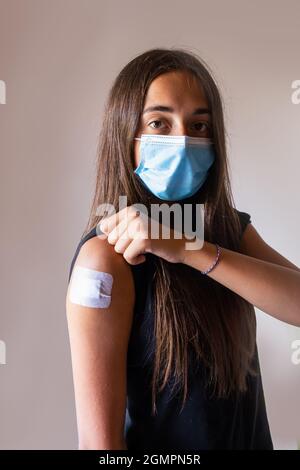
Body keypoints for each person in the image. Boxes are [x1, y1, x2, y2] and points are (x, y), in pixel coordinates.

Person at [65, 48, 300, 450]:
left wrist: (190, 249)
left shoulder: (227, 230)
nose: (183, 140)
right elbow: (99, 447)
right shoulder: (105, 260)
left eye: (199, 125)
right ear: (125, 134)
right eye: (159, 122)